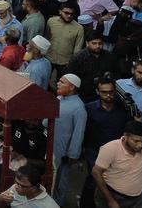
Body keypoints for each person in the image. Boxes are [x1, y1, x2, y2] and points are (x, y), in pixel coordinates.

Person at [91, 120, 142, 208]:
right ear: (126, 136)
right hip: (113, 196)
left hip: (137, 199)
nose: (140, 145)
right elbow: (96, 173)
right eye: (136, 141)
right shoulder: (110, 149)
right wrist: (110, 200)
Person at [53, 74, 87, 206]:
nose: (57, 83)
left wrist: (72, 154)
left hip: (64, 152)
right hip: (52, 147)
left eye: (62, 82)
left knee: (61, 183)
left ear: (72, 87)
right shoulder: (59, 98)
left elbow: (79, 133)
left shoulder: (79, 107)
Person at [67, 32, 118, 103]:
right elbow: (71, 79)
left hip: (104, 96)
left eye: (100, 43)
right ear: (87, 43)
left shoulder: (109, 57)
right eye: (94, 43)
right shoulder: (78, 58)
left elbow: (115, 74)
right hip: (84, 96)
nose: (98, 46)